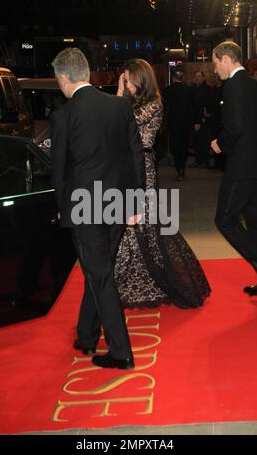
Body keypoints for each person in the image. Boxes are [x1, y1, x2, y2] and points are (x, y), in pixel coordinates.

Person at [50, 48, 145, 370]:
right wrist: (136, 201)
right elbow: (136, 155)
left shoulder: (64, 115)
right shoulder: (118, 105)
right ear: (87, 72)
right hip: (118, 202)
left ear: (63, 78)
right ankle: (87, 335)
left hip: (84, 207)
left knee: (99, 274)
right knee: (99, 270)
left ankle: (121, 352)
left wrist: (63, 210)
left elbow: (59, 170)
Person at [115, 58, 210, 309]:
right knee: (132, 225)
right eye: (124, 79)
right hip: (127, 167)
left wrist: (119, 94)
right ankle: (128, 278)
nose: (126, 84)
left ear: (140, 79)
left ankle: (153, 278)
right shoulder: (133, 103)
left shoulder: (153, 104)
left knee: (145, 223)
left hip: (142, 167)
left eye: (128, 79)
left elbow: (124, 121)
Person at [211, 41, 257, 296]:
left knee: (224, 220)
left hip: (243, 167)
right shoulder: (256, 86)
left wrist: (219, 143)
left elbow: (235, 127)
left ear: (226, 58)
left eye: (215, 64)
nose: (215, 70)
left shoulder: (233, 86)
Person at [163, 69, 192, 181]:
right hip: (185, 123)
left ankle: (178, 168)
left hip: (173, 123)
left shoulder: (167, 91)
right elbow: (192, 108)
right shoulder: (189, 90)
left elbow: (164, 108)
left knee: (175, 147)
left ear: (173, 78)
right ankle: (182, 169)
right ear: (183, 78)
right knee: (184, 147)